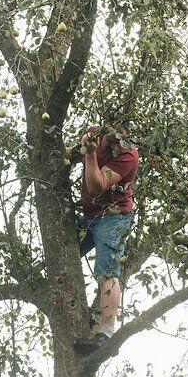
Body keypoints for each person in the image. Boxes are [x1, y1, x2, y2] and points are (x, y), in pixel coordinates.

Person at [70, 125, 139, 353]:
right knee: (63, 255)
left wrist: (90, 153)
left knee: (107, 269)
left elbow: (96, 185)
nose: (112, 145)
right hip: (89, 216)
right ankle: (84, 313)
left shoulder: (128, 154)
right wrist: (74, 149)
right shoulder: (96, 134)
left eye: (118, 140)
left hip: (114, 218)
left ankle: (107, 334)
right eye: (109, 139)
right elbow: (71, 154)